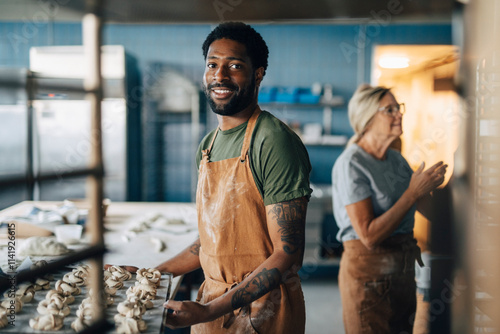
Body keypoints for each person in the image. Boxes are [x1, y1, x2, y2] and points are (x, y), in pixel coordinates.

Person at [114, 22, 312, 333]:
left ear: (258, 73)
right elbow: (212, 242)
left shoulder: (273, 141)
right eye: (212, 64)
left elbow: (286, 254)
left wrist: (208, 310)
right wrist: (152, 273)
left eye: (234, 65)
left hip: (264, 312)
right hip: (211, 304)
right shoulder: (208, 146)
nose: (220, 76)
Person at [331, 84, 447, 333]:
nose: (399, 114)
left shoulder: (396, 160)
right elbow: (369, 236)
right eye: (390, 109)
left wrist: (451, 186)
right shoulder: (351, 163)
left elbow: (427, 208)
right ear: (368, 119)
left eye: (399, 108)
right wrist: (413, 192)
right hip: (368, 277)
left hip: (402, 272)